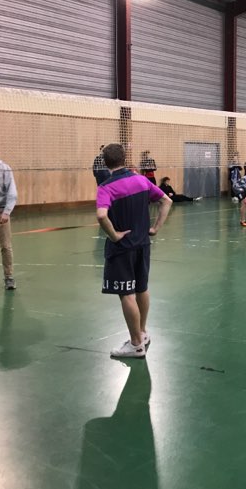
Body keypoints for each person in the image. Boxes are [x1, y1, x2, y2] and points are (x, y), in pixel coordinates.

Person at [96, 143, 172, 358]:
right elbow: (166, 201)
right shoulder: (141, 180)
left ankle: (136, 344)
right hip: (143, 245)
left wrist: (114, 235)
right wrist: (155, 228)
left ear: (105, 162)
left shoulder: (106, 187)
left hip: (122, 249)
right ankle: (142, 333)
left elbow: (101, 215)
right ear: (124, 158)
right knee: (141, 288)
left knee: (126, 294)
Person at [0, 159, 17, 290]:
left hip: (1, 212)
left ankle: (9, 277)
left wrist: (6, 212)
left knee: (6, 246)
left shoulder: (4, 168)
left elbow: (12, 192)